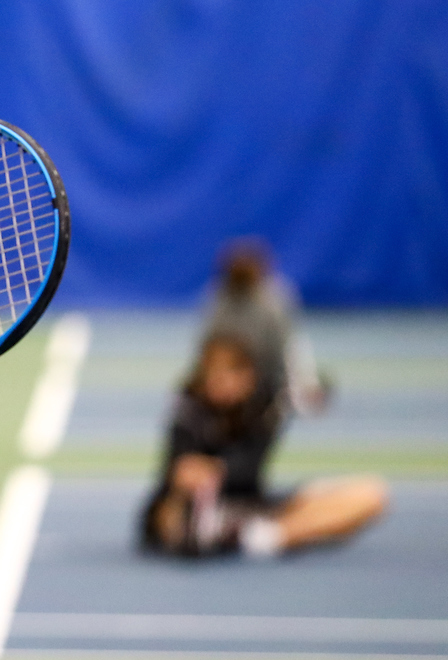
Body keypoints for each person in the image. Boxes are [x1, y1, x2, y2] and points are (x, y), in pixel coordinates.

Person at [139, 330, 387, 558]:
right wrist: (189, 478)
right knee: (174, 508)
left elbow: (250, 467)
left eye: (232, 372)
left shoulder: (265, 410)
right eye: (214, 372)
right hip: (199, 510)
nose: (222, 381)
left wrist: (218, 470)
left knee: (370, 493)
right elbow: (170, 482)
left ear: (249, 376)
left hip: (257, 510)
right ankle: (221, 530)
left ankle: (267, 538)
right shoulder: (189, 411)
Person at [204, 237, 331, 416]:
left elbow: (290, 347)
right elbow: (209, 348)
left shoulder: (276, 300)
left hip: (269, 375)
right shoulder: (217, 299)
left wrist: (305, 382)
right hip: (232, 372)